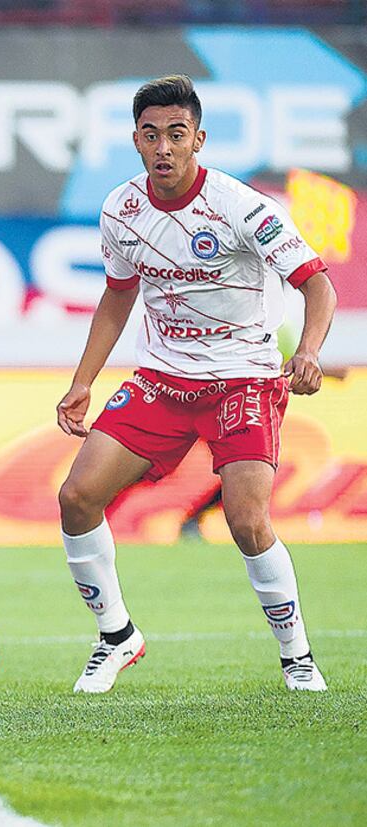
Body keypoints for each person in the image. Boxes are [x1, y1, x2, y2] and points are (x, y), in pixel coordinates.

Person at [55, 75, 337, 693]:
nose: (164, 148)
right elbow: (117, 296)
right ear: (135, 140)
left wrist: (309, 351)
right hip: (162, 380)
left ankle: (297, 657)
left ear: (198, 140)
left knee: (247, 521)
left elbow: (317, 284)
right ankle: (116, 636)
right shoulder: (121, 210)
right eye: (151, 135)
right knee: (77, 497)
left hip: (243, 380)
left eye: (176, 135)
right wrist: (82, 382)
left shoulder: (244, 209)